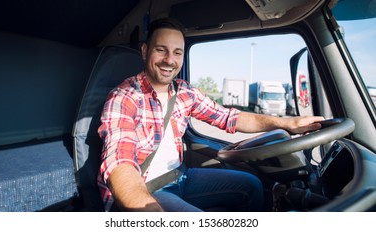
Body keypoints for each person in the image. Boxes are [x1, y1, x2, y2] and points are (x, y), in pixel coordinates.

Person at [97, 17, 324, 212]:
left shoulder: (184, 92)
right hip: (147, 187)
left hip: (181, 176)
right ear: (145, 50)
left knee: (252, 185)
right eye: (161, 50)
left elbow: (230, 118)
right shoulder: (124, 97)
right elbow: (119, 164)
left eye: (177, 53)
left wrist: (289, 123)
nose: (169, 60)